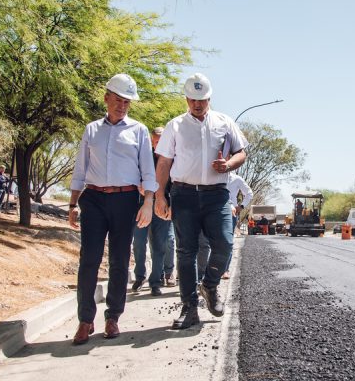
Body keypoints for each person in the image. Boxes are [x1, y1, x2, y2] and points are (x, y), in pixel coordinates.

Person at [67, 73, 157, 345]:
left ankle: (113, 317)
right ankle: (85, 320)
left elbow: (148, 172)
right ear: (106, 98)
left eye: (127, 102)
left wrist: (148, 204)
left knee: (119, 260)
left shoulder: (139, 130)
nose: (122, 106)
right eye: (118, 100)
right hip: (93, 200)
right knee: (89, 260)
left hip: (125, 199)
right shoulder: (91, 129)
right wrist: (72, 204)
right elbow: (80, 170)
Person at [154, 73, 248, 330]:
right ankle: (189, 308)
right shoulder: (175, 126)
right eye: (193, 99)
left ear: (209, 98)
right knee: (186, 252)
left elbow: (241, 152)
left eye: (202, 99)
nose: (197, 104)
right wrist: (160, 195)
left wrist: (228, 164)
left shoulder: (224, 122)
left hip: (217, 194)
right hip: (183, 195)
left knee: (225, 244)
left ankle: (209, 285)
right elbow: (164, 162)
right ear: (186, 98)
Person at [130, 126, 176, 296]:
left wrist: (171, 205)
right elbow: (133, 174)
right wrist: (139, 186)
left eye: (161, 141)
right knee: (139, 243)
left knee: (161, 245)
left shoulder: (173, 158)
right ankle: (139, 277)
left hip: (163, 206)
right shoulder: (143, 155)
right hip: (141, 205)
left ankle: (156, 281)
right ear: (151, 140)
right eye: (155, 141)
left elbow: (176, 183)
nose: (158, 144)